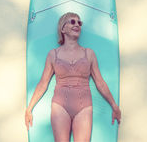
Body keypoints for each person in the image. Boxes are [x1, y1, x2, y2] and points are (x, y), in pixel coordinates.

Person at [25, 12, 121, 142]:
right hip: (60, 106)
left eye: (79, 22)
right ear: (63, 28)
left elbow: (100, 82)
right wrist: (29, 108)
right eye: (72, 22)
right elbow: (43, 83)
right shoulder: (53, 55)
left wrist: (114, 106)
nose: (77, 25)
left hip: (84, 107)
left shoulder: (89, 53)